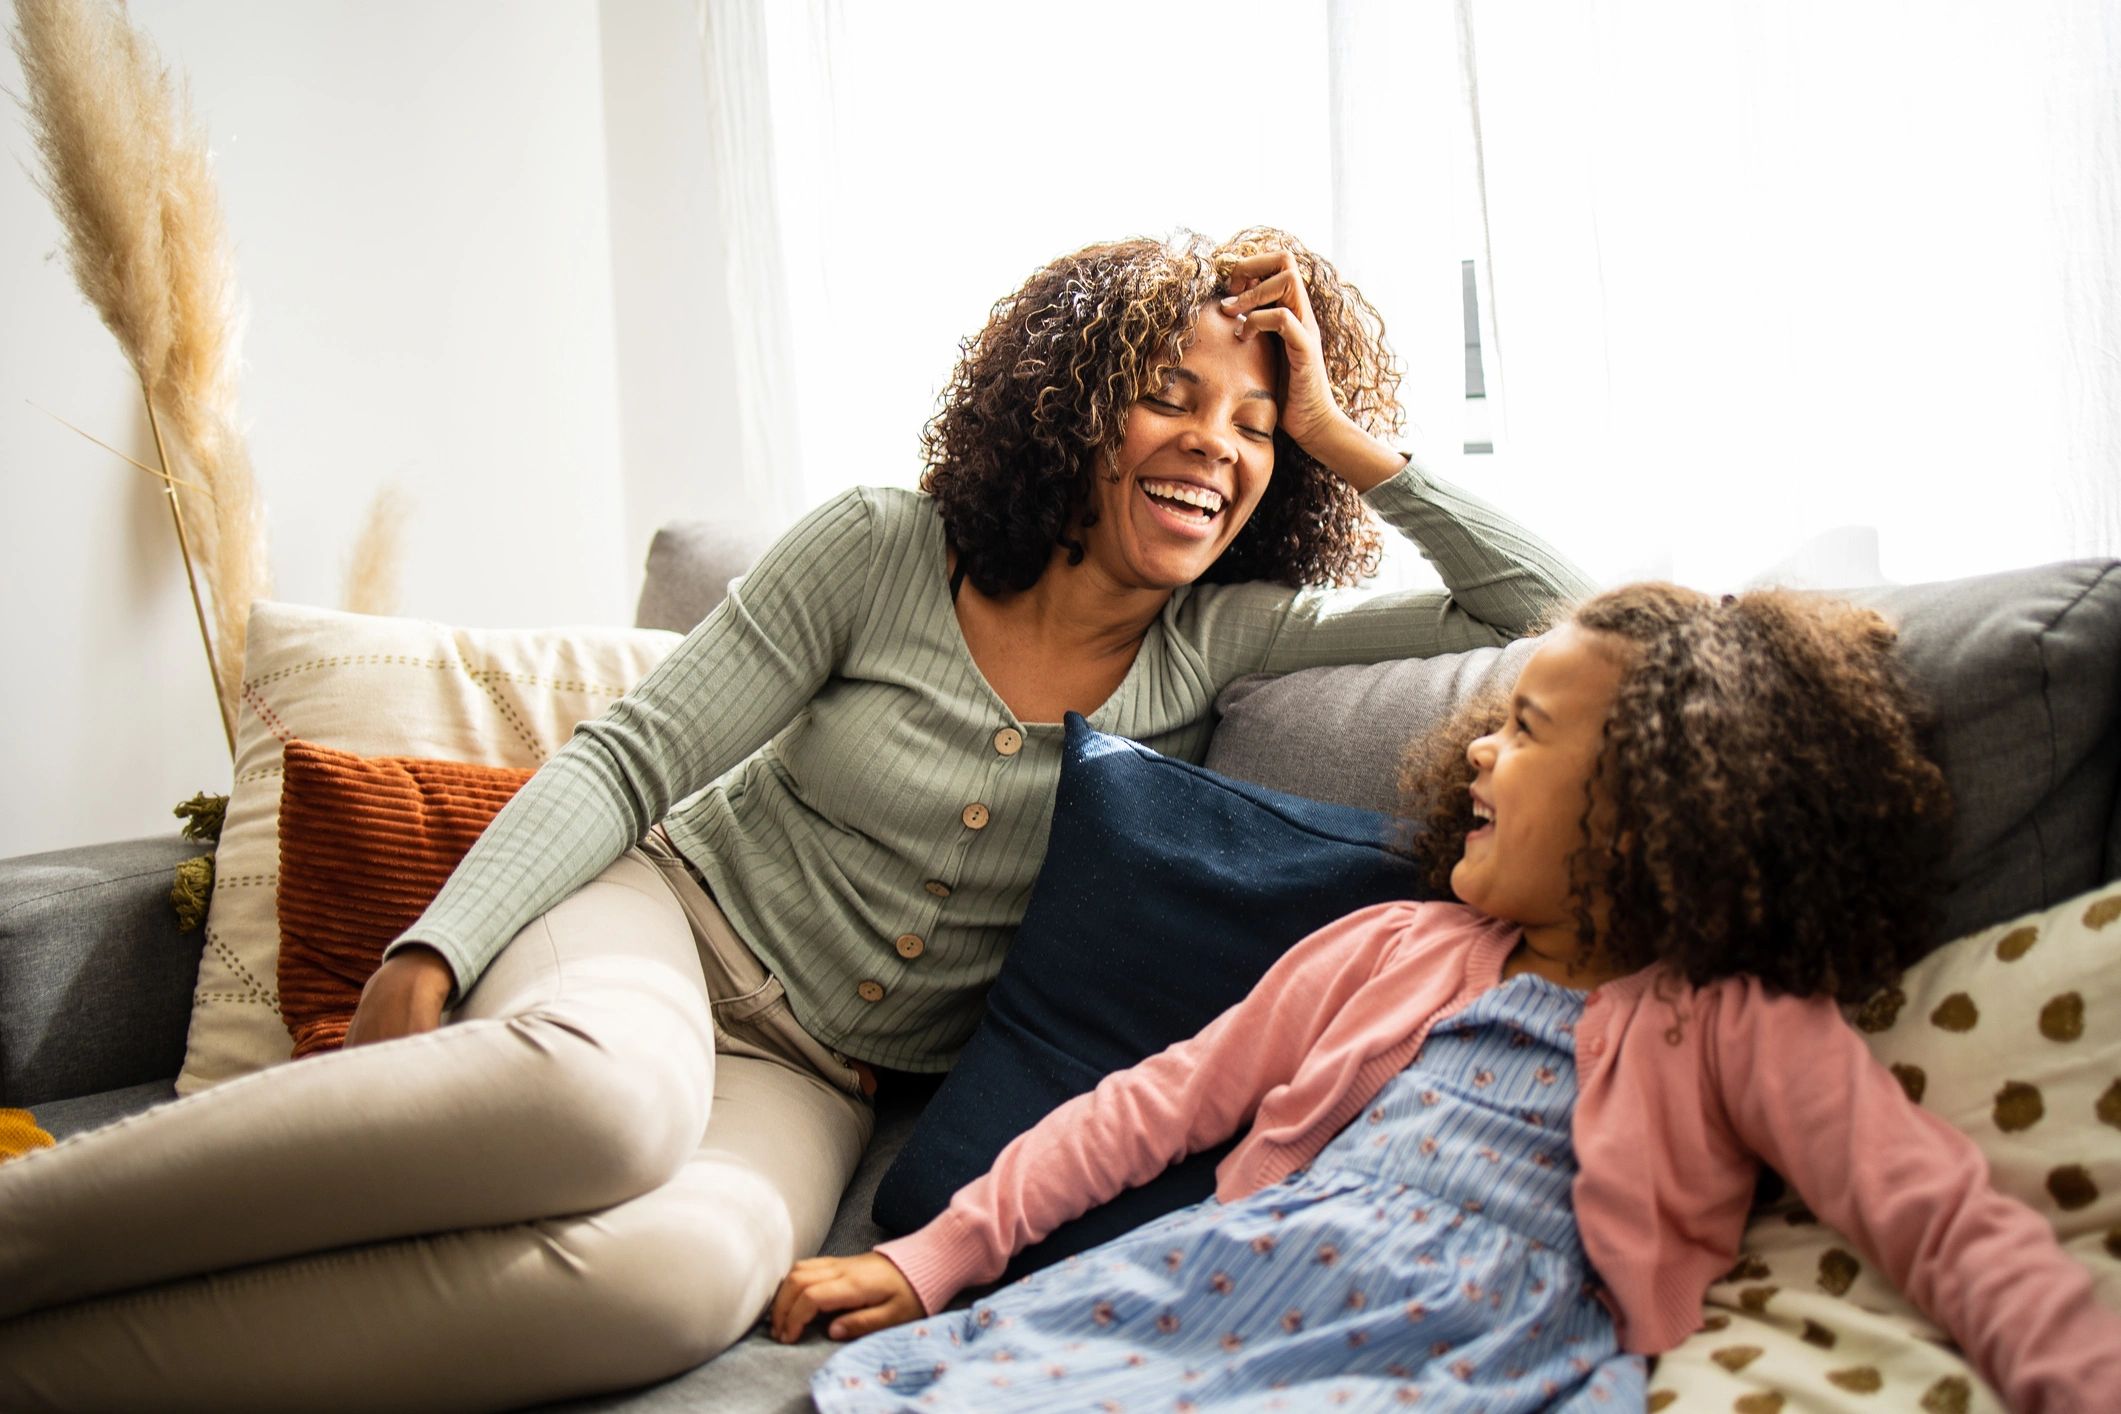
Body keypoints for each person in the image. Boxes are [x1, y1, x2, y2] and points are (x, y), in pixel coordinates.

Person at [0, 230, 1593, 1410]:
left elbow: (1554, 608)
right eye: (1168, 397)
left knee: (683, 1278)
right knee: (603, 1112)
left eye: (1250, 427)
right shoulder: (883, 548)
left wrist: (1333, 429)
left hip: (819, 1073)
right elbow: (633, 757)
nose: (1213, 444)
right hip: (660, 924)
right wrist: (442, 937)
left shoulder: (1218, 641)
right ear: (1072, 404)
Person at [774, 584, 2121, 1412]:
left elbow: (1930, 1207)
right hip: (1242, 1276)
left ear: (1658, 800)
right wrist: (932, 1252)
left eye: (1527, 729)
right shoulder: (1389, 946)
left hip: (1488, 1352)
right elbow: (1152, 1106)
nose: (1477, 746)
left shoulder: (1728, 1016)